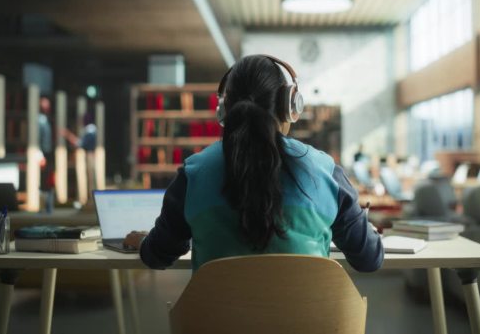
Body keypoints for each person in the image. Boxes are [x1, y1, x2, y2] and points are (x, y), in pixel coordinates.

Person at [124, 54, 383, 272]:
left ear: (224, 110)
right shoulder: (325, 171)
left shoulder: (194, 173)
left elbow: (158, 255)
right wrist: (364, 228)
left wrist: (145, 242)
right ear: (290, 106)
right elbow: (369, 260)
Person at [62, 112, 97, 203]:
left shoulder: (90, 131)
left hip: (90, 156)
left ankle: (90, 200)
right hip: (91, 156)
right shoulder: (93, 130)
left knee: (90, 180)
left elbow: (80, 144)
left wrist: (68, 135)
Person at [38, 97, 55, 213]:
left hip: (49, 152)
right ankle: (43, 206)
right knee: (43, 180)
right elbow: (37, 138)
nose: (46, 107)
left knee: (49, 179)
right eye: (44, 105)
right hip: (42, 153)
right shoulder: (39, 120)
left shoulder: (47, 119)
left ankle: (48, 206)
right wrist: (39, 154)